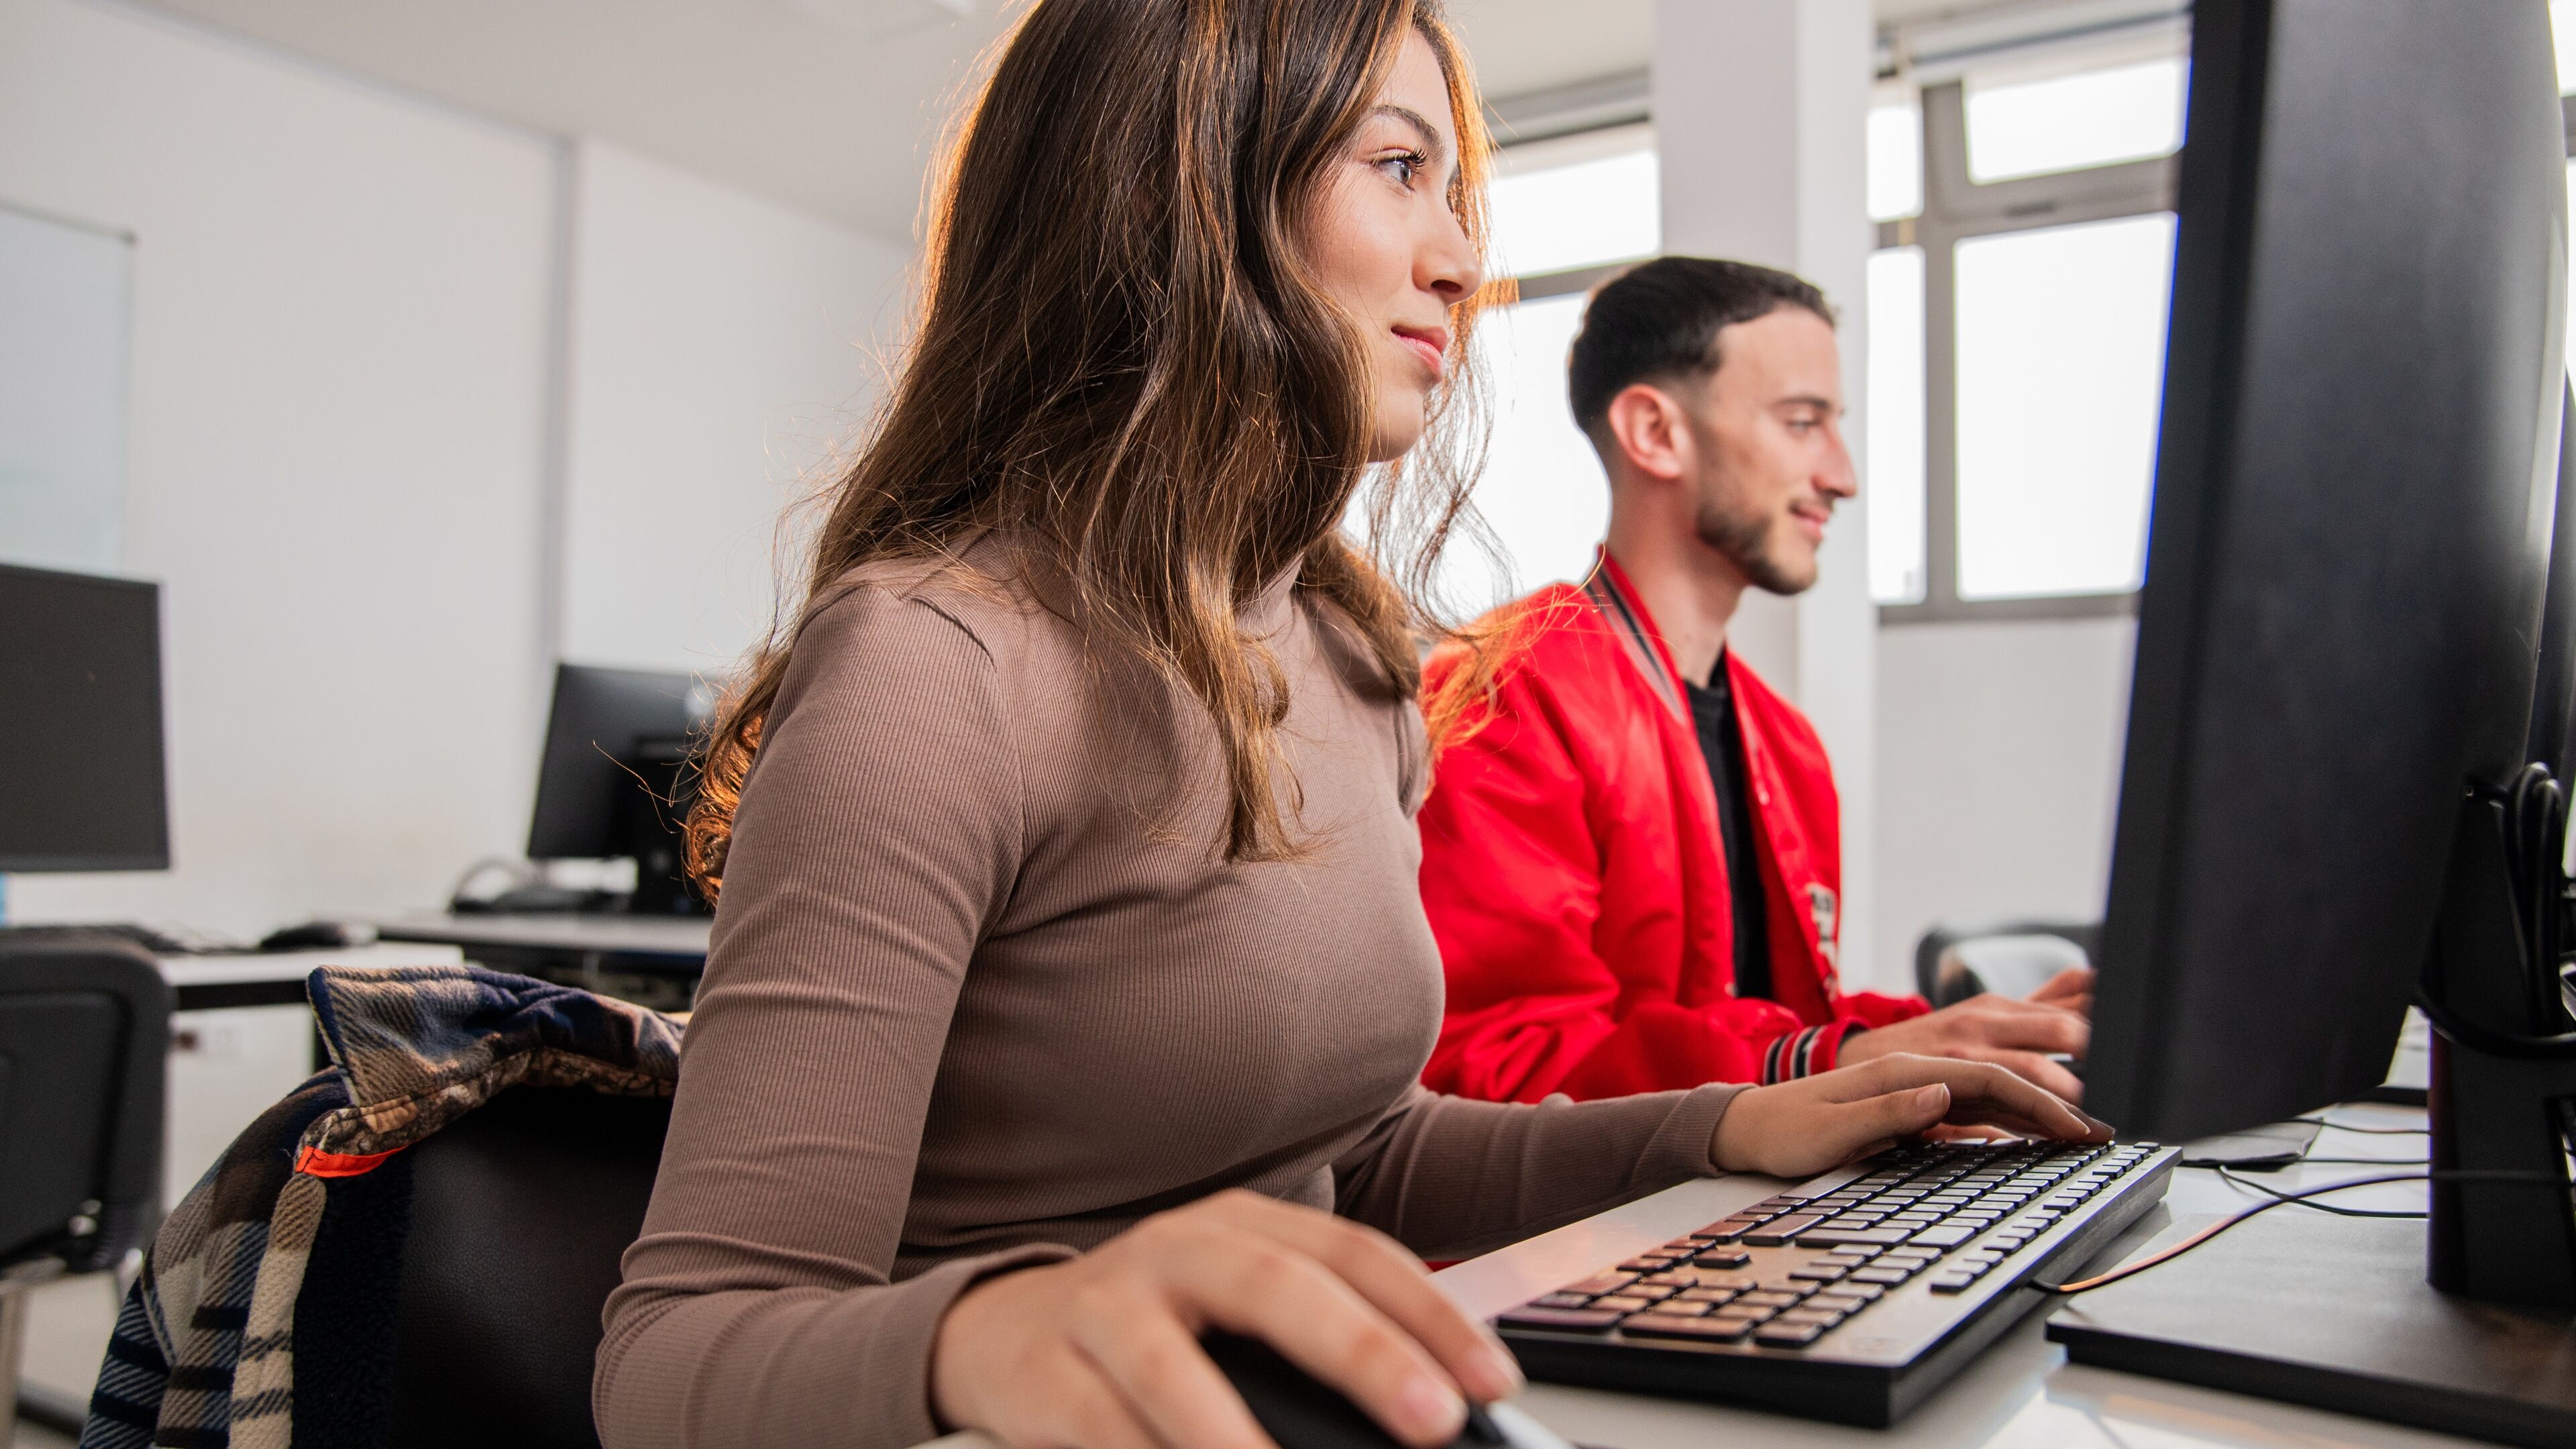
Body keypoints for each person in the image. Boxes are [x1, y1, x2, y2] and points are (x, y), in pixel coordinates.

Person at [594, 9, 2109, 1449]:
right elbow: (676, 1355)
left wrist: (1728, 1128)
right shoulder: (936, 667)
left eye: (1453, 194)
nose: (1457, 258)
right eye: (1398, 171)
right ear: (1181, 189)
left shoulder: (1347, 654)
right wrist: (991, 1328)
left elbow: (1368, 1154)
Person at [1416, 258, 2096, 1109]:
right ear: (1656, 433)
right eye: (1803, 423)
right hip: (1601, 1237)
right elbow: (1498, 1067)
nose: (1842, 476)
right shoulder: (1506, 691)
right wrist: (1832, 1060)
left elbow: (1773, 1025)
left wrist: (1988, 1036)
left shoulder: (1786, 742)